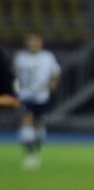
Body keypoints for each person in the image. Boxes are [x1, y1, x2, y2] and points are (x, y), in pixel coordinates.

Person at [13, 32, 61, 169]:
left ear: (41, 43)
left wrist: (53, 84)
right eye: (31, 41)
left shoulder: (48, 57)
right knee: (26, 119)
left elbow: (56, 72)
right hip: (25, 94)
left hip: (41, 95)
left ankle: (36, 146)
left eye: (36, 41)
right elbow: (16, 75)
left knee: (38, 123)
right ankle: (30, 154)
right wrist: (16, 89)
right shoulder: (20, 57)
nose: (33, 44)